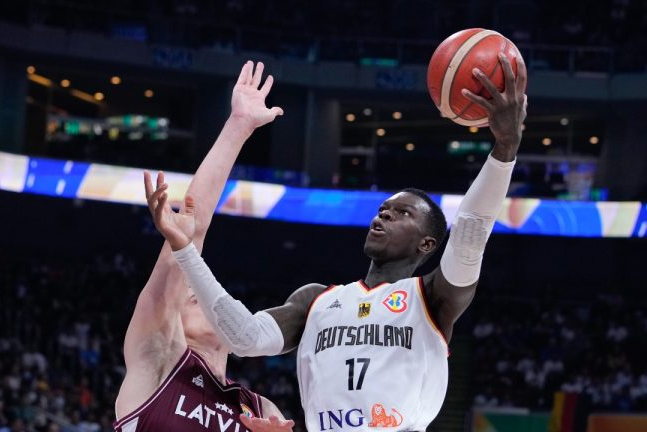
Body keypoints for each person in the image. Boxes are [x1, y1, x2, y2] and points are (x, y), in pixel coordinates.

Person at [146, 53, 528, 431]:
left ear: (427, 244)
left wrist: (505, 148)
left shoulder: (432, 298)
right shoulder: (316, 300)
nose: (384, 214)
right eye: (383, 209)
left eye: (402, 213)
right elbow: (244, 337)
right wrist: (184, 250)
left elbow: (472, 229)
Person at [115, 61, 295, 432]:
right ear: (174, 320)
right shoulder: (157, 361)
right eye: (192, 297)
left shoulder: (261, 408)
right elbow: (189, 235)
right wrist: (239, 126)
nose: (203, 295)